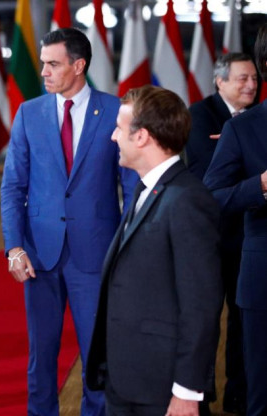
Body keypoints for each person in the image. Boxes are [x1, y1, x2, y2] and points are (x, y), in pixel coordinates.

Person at [0, 28, 137, 416]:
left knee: (97, 354)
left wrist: (124, 250)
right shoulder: (29, 113)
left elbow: (131, 188)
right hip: (39, 255)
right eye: (43, 63)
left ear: (79, 66)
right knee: (40, 355)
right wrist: (14, 246)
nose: (44, 71)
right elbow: (12, 187)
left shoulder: (115, 111)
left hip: (96, 254)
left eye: (53, 64)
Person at [86, 85, 222, 416]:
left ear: (142, 136)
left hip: (162, 390)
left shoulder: (187, 200)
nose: (113, 137)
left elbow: (200, 307)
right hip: (127, 380)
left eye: (119, 128)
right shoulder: (148, 190)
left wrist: (187, 392)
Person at [185, 52, 256, 415]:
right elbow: (209, 176)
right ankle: (200, 399)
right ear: (220, 81)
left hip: (249, 239)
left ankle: (238, 394)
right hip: (210, 241)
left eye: (254, 79)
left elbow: (230, 168)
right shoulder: (199, 115)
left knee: (244, 323)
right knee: (205, 322)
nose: (251, 85)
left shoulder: (257, 120)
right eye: (242, 78)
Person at [203, 23, 267, 416]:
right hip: (263, 284)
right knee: (261, 394)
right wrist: (258, 186)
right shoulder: (242, 127)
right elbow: (210, 197)